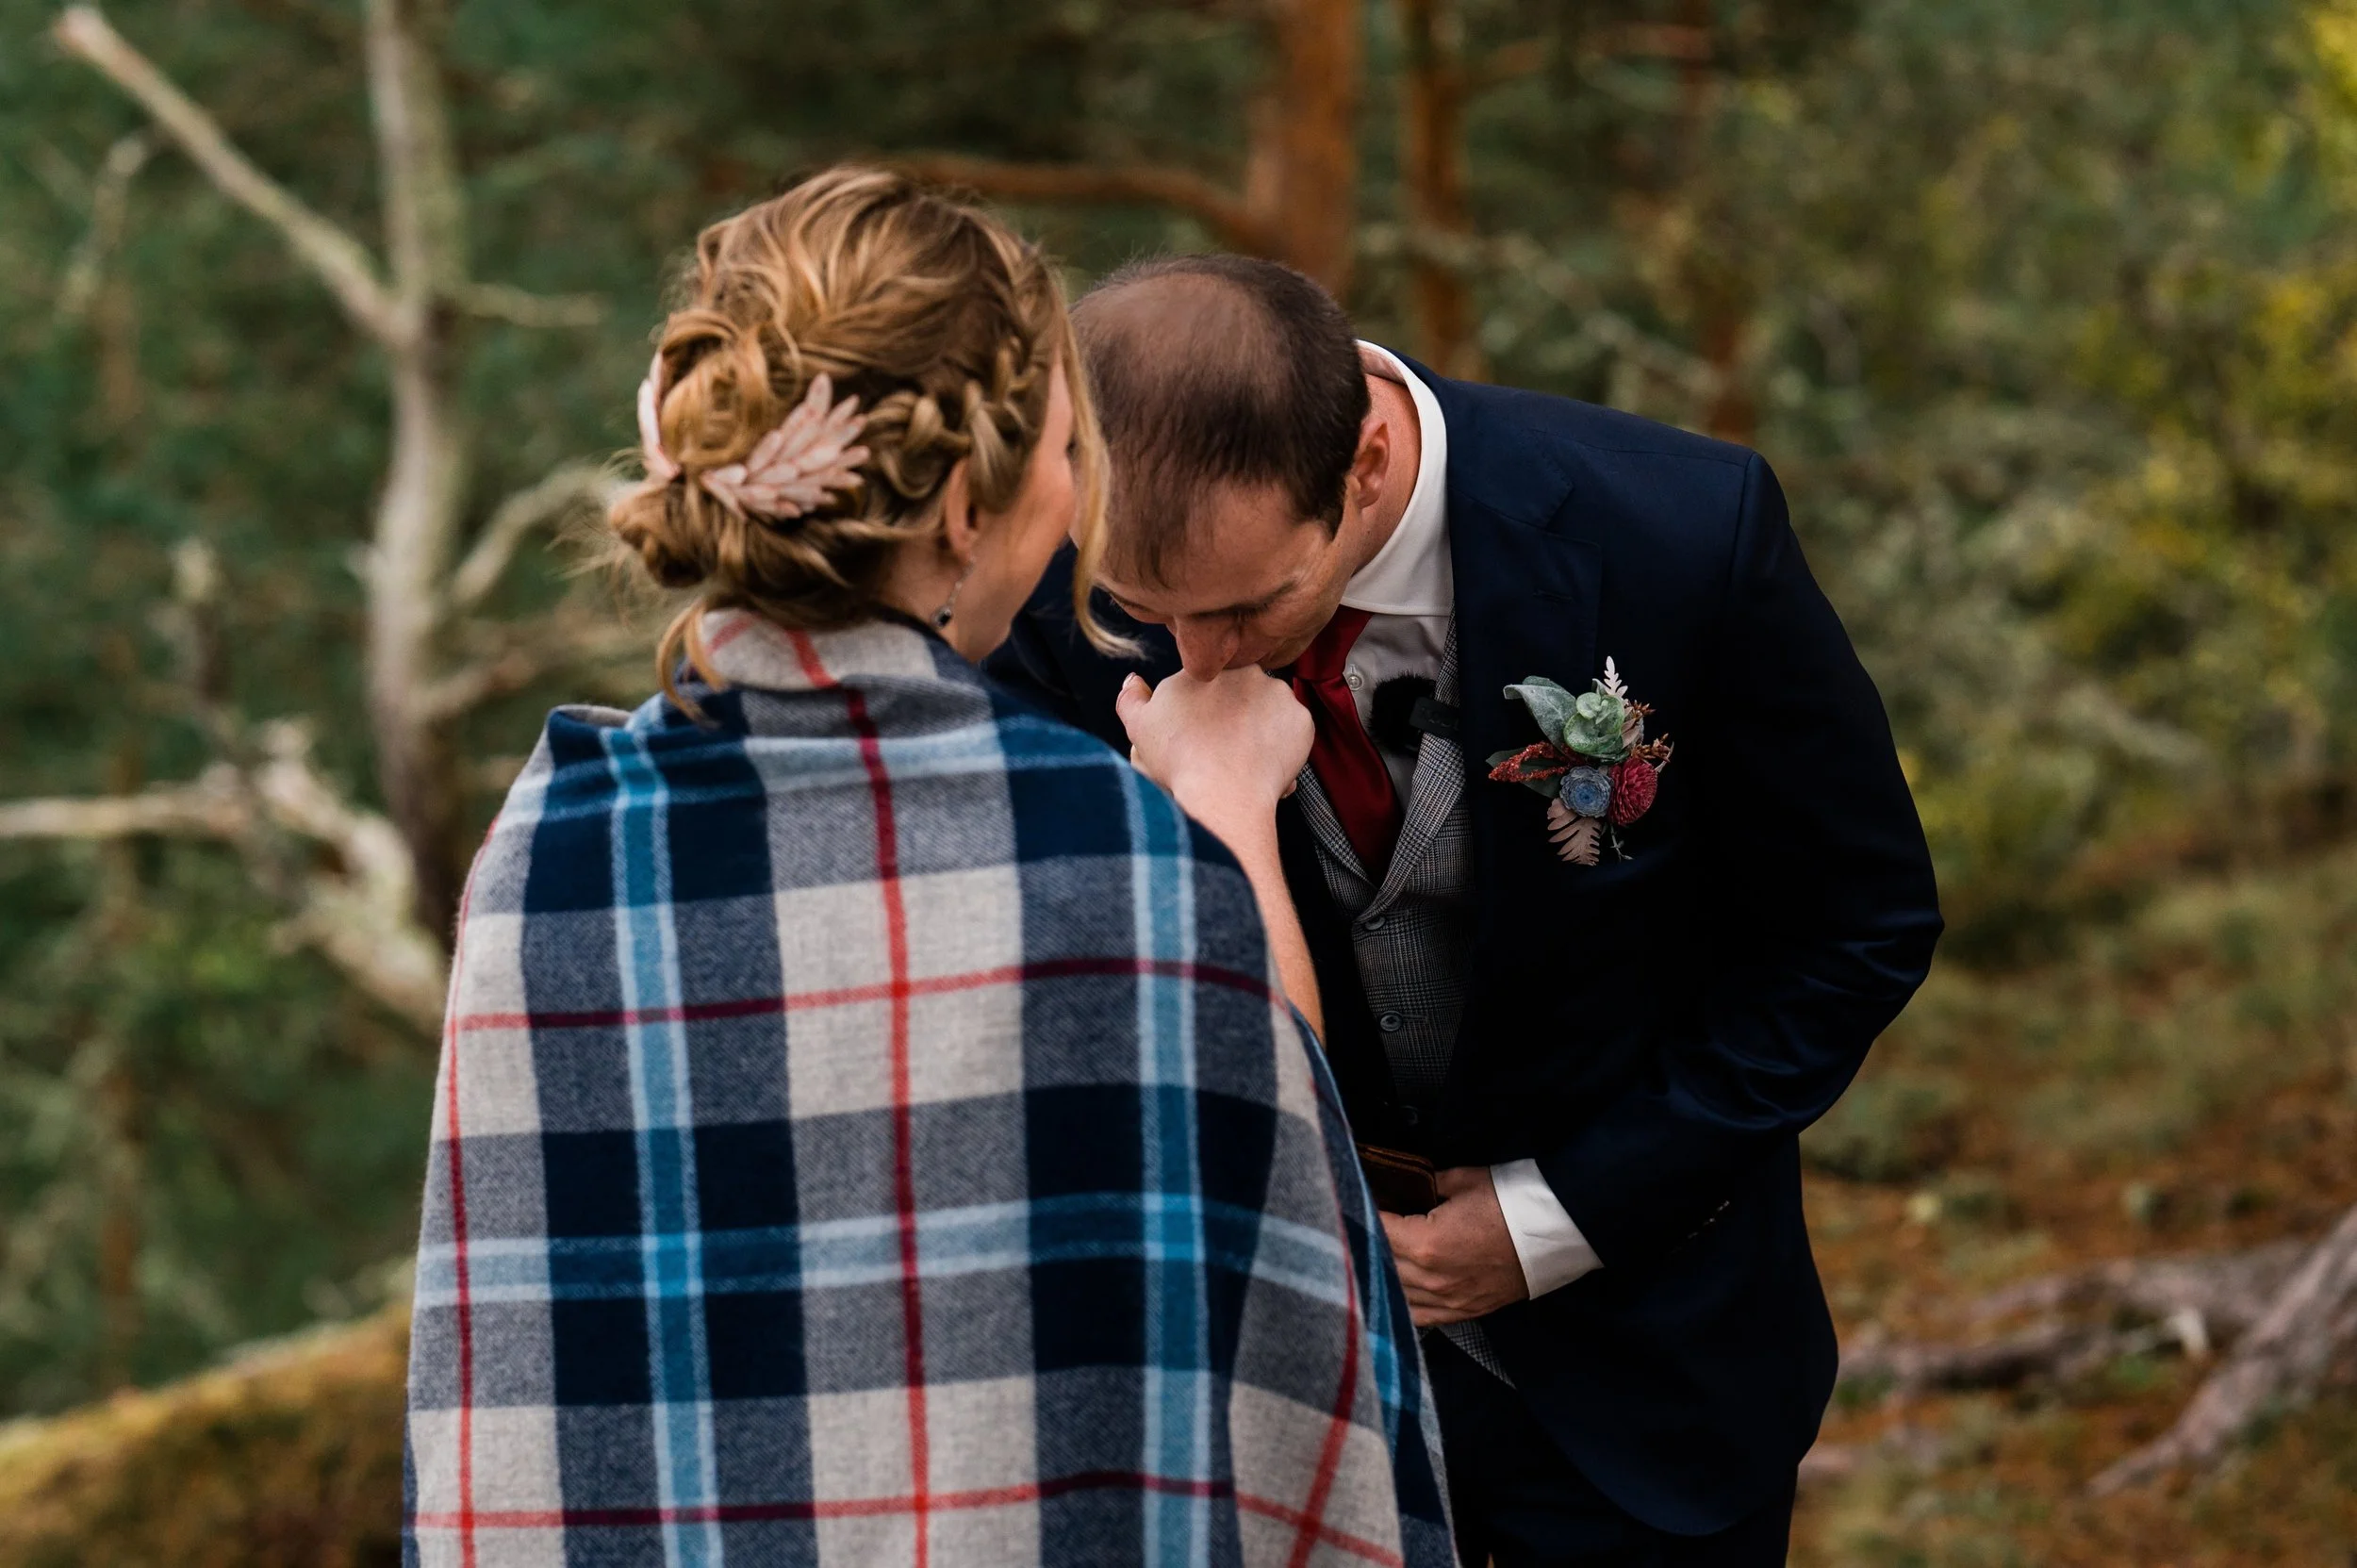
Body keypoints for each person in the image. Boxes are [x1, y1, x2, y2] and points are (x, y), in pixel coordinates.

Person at [402, 172, 1454, 1568]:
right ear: (967, 499)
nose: (1081, 500)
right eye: (1070, 449)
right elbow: (1289, 1300)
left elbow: (514, 1391)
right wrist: (1219, 817)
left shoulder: (545, 847)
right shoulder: (1109, 861)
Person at [988, 254, 1945, 1566]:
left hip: (1645, 1378)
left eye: (1248, 606)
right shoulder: (1052, 589)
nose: (1197, 662)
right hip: (1250, 1392)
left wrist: (1557, 1220)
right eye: (1154, 616)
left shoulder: (1672, 533)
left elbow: (1855, 927)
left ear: (1366, 462)